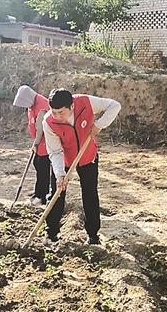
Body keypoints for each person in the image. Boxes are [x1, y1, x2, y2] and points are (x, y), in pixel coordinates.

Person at [42, 88, 121, 245]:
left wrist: (99, 125)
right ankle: (51, 234)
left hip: (88, 156)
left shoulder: (86, 103)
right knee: (56, 194)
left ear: (72, 106)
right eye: (54, 112)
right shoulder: (48, 122)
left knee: (90, 193)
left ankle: (93, 236)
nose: (57, 117)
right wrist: (60, 174)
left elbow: (114, 106)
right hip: (64, 159)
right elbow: (55, 151)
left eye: (61, 113)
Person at [13, 85, 51, 206]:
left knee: (42, 167)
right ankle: (38, 192)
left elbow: (40, 129)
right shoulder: (33, 103)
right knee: (38, 164)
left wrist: (36, 143)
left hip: (46, 141)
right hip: (40, 141)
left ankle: (42, 196)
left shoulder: (42, 106)